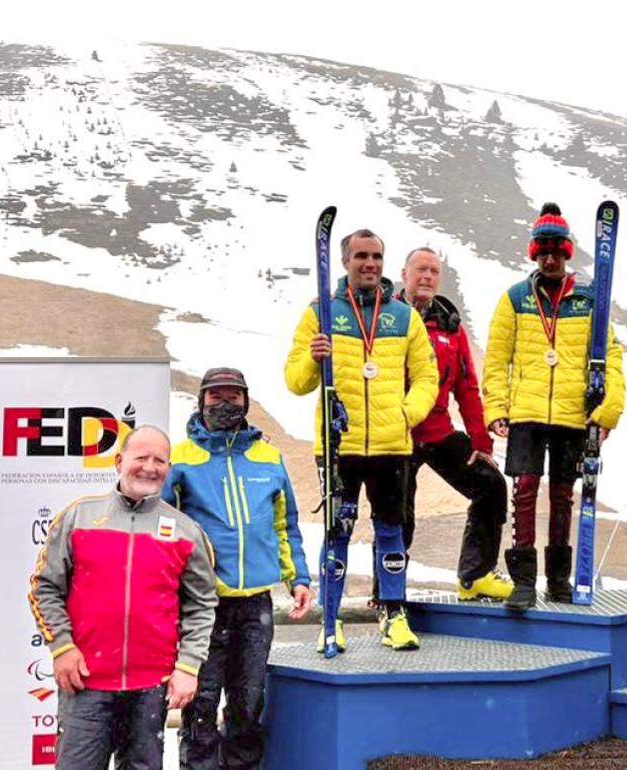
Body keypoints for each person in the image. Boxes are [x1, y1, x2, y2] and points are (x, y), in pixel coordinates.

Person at [29, 426, 217, 770]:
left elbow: (202, 604)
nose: (150, 467)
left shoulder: (186, 530)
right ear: (119, 461)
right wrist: (62, 646)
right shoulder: (78, 516)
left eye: (159, 460)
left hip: (150, 688)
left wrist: (188, 666)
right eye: (141, 457)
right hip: (86, 682)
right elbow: (45, 587)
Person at [285, 227, 438, 650]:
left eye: (376, 257)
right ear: (344, 262)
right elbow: (295, 381)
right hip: (339, 446)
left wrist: (407, 414)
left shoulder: (403, 315)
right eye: (361, 257)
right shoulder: (321, 312)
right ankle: (330, 620)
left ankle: (393, 616)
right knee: (338, 532)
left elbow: (428, 376)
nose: (369, 264)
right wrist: (313, 361)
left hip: (391, 446)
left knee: (392, 531)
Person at [165, 367, 312, 769]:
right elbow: (161, 530)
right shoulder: (180, 457)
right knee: (201, 706)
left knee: (248, 704)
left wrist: (297, 576)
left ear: (246, 401)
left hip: (255, 604)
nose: (225, 404)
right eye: (216, 397)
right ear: (201, 401)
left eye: (234, 396)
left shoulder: (268, 455)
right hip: (202, 606)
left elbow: (285, 524)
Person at [482, 203, 626, 612]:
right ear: (533, 253)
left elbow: (610, 355)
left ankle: (559, 581)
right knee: (524, 493)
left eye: (556, 251)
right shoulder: (514, 299)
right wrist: (497, 405)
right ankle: (524, 581)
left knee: (563, 497)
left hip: (572, 415)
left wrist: (608, 409)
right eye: (542, 250)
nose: (549, 258)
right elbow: (497, 359)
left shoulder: (588, 299)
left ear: (567, 252)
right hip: (526, 414)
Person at [396, 247, 513, 601]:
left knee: (490, 485)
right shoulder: (384, 316)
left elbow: (467, 386)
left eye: (433, 271)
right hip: (396, 435)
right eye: (421, 270)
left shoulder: (450, 324)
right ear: (404, 274)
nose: (427, 277)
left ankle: (475, 576)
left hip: (437, 432)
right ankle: (387, 591)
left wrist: (482, 443)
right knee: (400, 513)